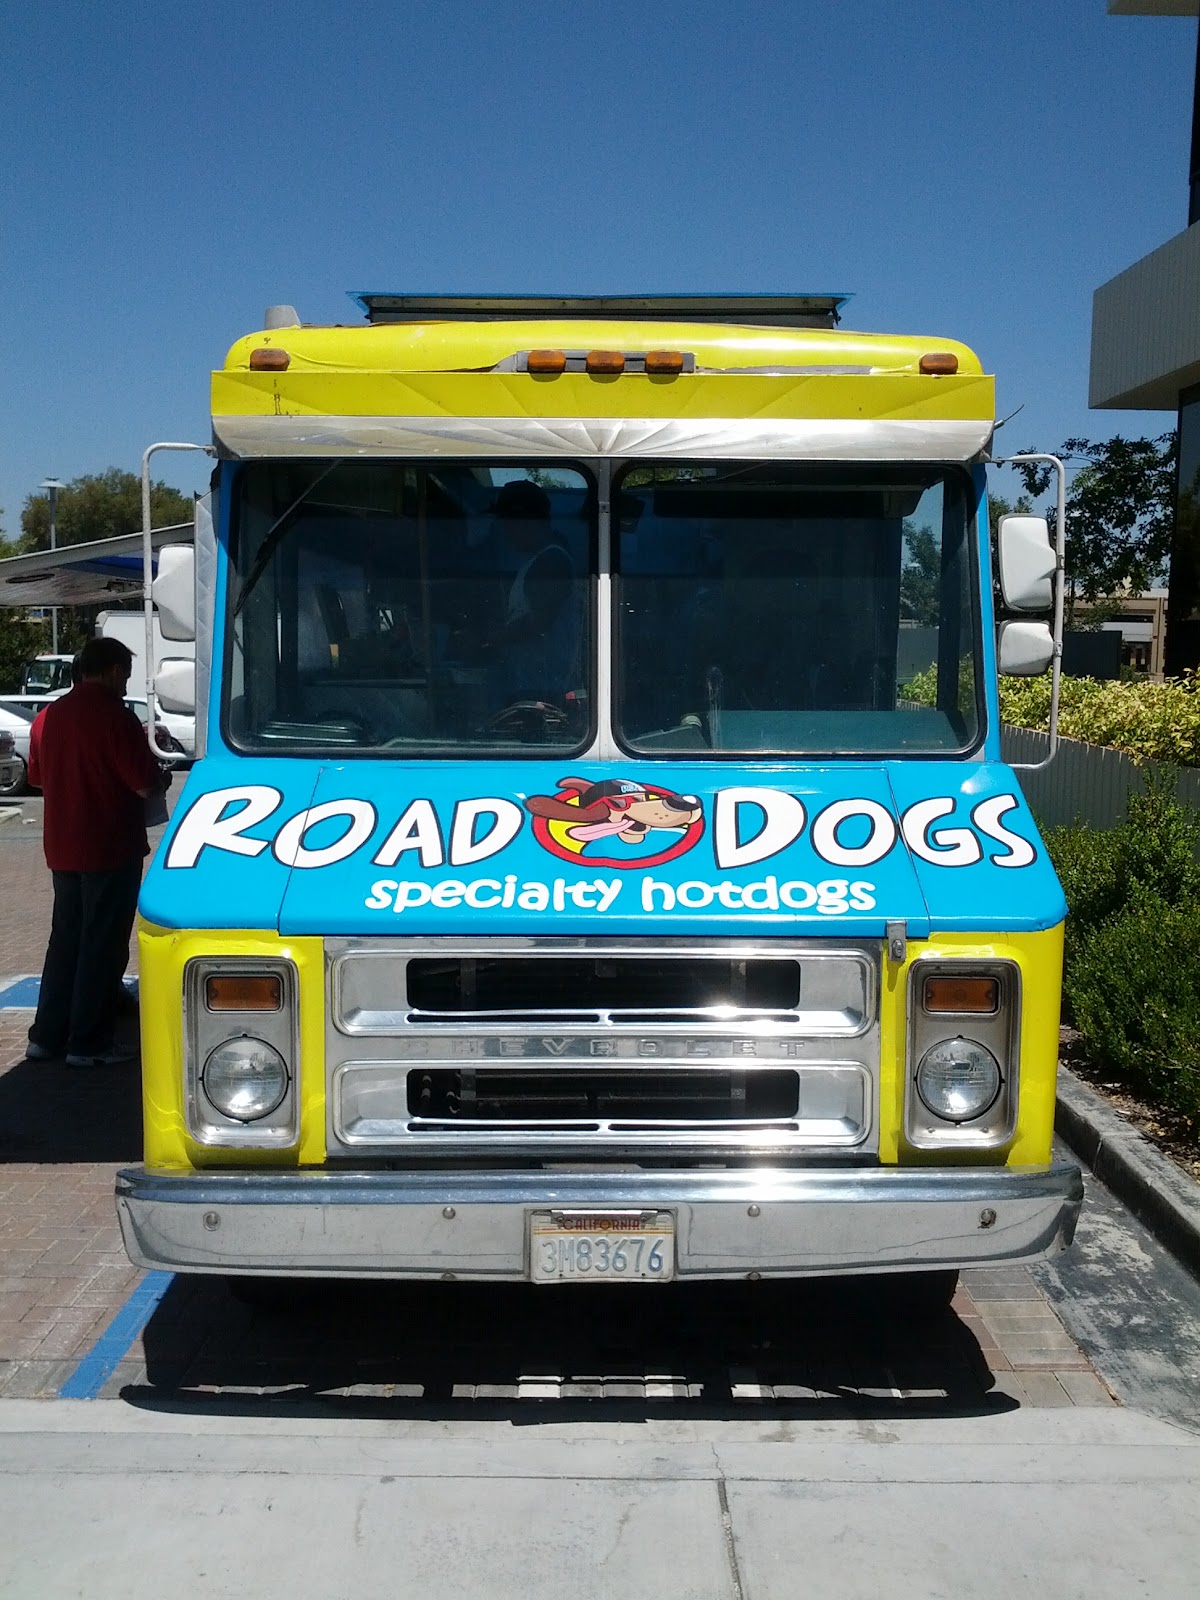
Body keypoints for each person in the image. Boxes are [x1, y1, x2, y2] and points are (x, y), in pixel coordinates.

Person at [25, 636, 165, 1068]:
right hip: (108, 844)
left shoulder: (48, 717)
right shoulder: (116, 718)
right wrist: (158, 774)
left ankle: (46, 1036)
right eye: (124, 671)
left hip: (62, 846)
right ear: (107, 670)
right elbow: (143, 783)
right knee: (102, 944)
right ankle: (89, 1042)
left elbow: (37, 778)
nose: (126, 681)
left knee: (64, 941)